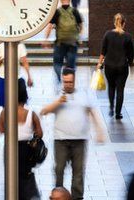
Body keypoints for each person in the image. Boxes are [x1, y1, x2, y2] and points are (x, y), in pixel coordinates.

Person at [41, 68, 106, 200]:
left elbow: (91, 111)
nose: (68, 84)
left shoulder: (84, 93)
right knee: (59, 169)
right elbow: (44, 111)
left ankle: (77, 197)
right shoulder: (57, 94)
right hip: (61, 140)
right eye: (65, 82)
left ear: (74, 80)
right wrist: (58, 102)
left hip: (79, 140)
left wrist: (99, 130)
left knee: (78, 172)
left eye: (70, 82)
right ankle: (58, 196)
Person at [0, 83, 43, 200]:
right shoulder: (31, 114)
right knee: (26, 177)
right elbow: (40, 133)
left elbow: (1, 129)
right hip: (26, 150)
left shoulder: (5, 112)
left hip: (10, 149)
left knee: (11, 178)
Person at [97, 13, 134, 119]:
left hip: (109, 66)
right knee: (120, 90)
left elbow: (103, 51)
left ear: (114, 22)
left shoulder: (108, 34)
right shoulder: (127, 36)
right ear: (124, 24)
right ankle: (118, 113)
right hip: (122, 66)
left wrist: (99, 63)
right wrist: (131, 66)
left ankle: (111, 107)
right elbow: (130, 54)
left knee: (111, 87)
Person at [43, 0, 83, 83]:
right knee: (71, 64)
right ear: (69, 0)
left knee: (57, 63)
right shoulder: (75, 11)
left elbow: (49, 26)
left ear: (61, 0)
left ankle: (58, 78)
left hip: (60, 43)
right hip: (73, 42)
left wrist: (46, 39)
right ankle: (69, 81)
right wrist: (78, 36)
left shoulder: (57, 12)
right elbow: (81, 26)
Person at [0, 41, 33, 107]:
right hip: (3, 78)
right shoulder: (0, 47)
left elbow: (24, 61)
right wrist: (2, 60)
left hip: (17, 78)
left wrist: (29, 77)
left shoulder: (20, 46)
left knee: (21, 103)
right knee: (5, 105)